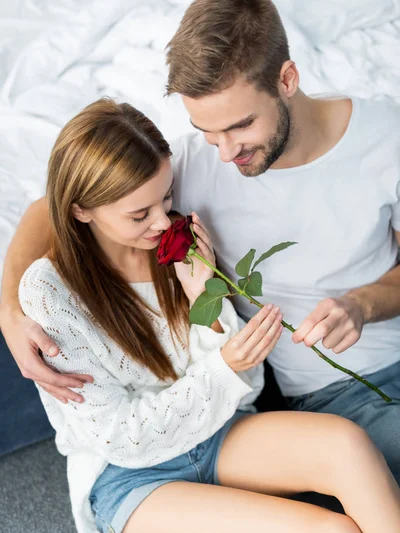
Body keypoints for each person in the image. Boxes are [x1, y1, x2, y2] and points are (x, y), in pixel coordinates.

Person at [11, 96, 400, 533]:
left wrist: (205, 302)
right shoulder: (49, 294)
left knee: (346, 445)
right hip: (132, 477)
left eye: (165, 198)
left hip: (219, 433)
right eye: (138, 214)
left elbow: (247, 386)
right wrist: (222, 367)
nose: (161, 222)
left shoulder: (177, 247)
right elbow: (119, 439)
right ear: (82, 210)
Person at [0, 0, 399, 474]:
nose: (227, 152)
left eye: (241, 125)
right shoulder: (191, 168)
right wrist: (9, 312)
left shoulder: (386, 135)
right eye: (206, 131)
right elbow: (54, 206)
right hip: (345, 389)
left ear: (287, 80)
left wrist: (363, 304)